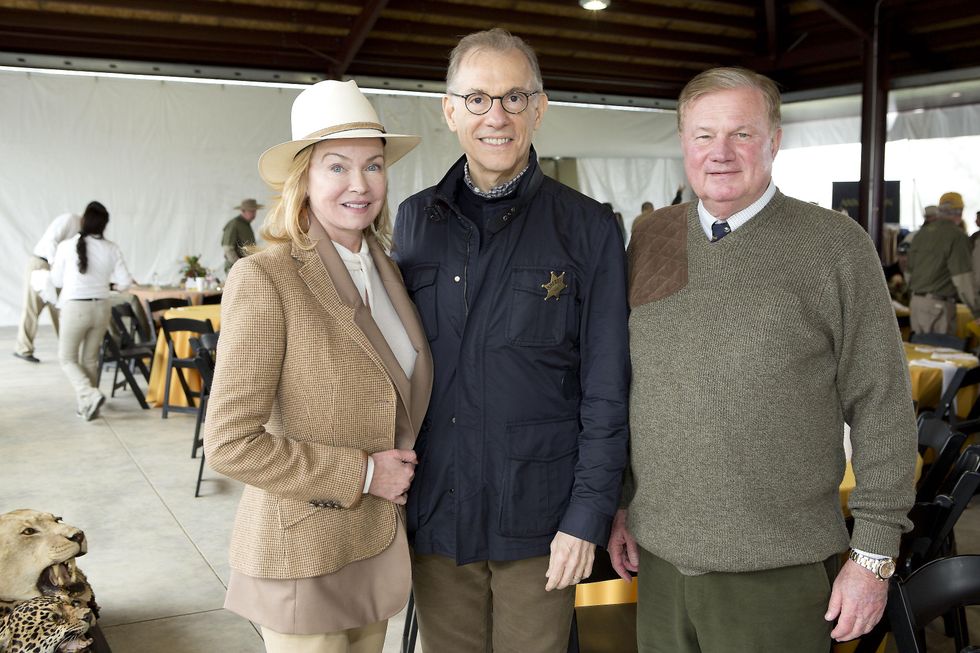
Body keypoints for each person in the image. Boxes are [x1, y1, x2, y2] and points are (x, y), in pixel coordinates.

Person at [612, 67, 917, 652]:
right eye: (704, 135)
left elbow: (881, 403)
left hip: (779, 569)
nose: (720, 152)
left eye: (742, 134)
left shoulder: (834, 245)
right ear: (683, 142)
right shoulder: (651, 236)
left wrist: (874, 554)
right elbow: (634, 384)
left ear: (774, 141)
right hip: (659, 563)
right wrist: (624, 502)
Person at [393, 28, 630, 653]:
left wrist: (587, 517)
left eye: (513, 97)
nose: (495, 116)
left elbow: (608, 388)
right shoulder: (414, 220)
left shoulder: (588, 227)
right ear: (450, 110)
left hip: (540, 520)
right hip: (438, 513)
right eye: (477, 98)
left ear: (539, 107)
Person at [203, 79, 431, 653]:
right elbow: (230, 443)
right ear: (302, 179)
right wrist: (364, 475)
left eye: (373, 165)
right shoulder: (267, 278)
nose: (360, 184)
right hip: (302, 553)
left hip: (374, 545)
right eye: (337, 167)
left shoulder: (389, 271)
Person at [49, 201, 133, 420]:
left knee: (67, 358)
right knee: (90, 359)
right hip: (102, 308)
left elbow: (56, 280)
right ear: (104, 224)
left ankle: (89, 394)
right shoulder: (111, 248)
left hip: (75, 307)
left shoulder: (66, 246)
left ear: (84, 220)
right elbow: (125, 282)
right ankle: (87, 407)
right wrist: (109, 285)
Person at [13, 209, 85, 363]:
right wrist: (54, 265)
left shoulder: (83, 234)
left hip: (56, 269)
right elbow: (51, 241)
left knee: (61, 309)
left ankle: (67, 349)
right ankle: (23, 349)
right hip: (41, 264)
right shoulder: (71, 219)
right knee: (32, 308)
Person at [907, 191, 980, 334]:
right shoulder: (957, 236)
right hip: (938, 306)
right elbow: (963, 279)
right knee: (940, 348)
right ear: (960, 211)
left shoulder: (920, 234)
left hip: (915, 303)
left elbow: (908, 273)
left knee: (918, 346)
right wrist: (977, 310)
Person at [221, 198, 263, 273]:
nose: (254, 214)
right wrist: (241, 265)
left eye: (255, 211)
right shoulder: (234, 224)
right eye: (251, 211)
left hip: (245, 268)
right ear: (243, 211)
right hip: (235, 269)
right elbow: (228, 249)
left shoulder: (246, 224)